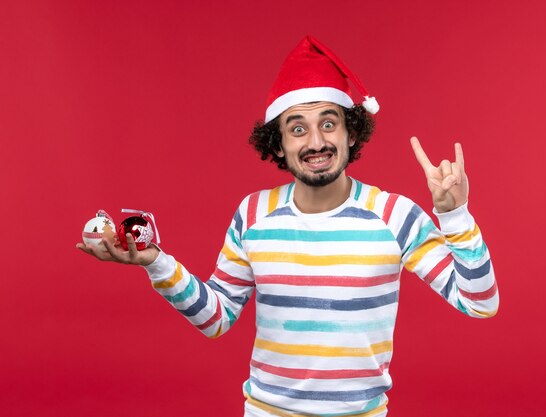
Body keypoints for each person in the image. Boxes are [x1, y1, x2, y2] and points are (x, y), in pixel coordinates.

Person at [77, 35, 499, 417]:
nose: (316, 142)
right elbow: (216, 318)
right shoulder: (253, 213)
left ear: (351, 133)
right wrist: (156, 263)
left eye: (328, 124)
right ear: (278, 143)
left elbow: (480, 303)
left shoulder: (395, 215)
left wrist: (455, 215)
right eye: (298, 129)